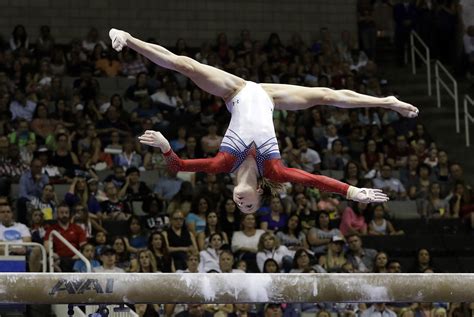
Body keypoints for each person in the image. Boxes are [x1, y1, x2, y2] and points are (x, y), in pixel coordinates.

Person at [109, 28, 419, 214]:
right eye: (249, 206)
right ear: (260, 193)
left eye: (240, 206)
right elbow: (312, 181)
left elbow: (178, 167)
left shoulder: (223, 164)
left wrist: (165, 147)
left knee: (187, 66)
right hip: (269, 97)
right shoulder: (274, 170)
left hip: (236, 92)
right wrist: (352, 192)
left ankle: (128, 39)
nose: (241, 202)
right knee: (325, 94)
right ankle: (387, 102)